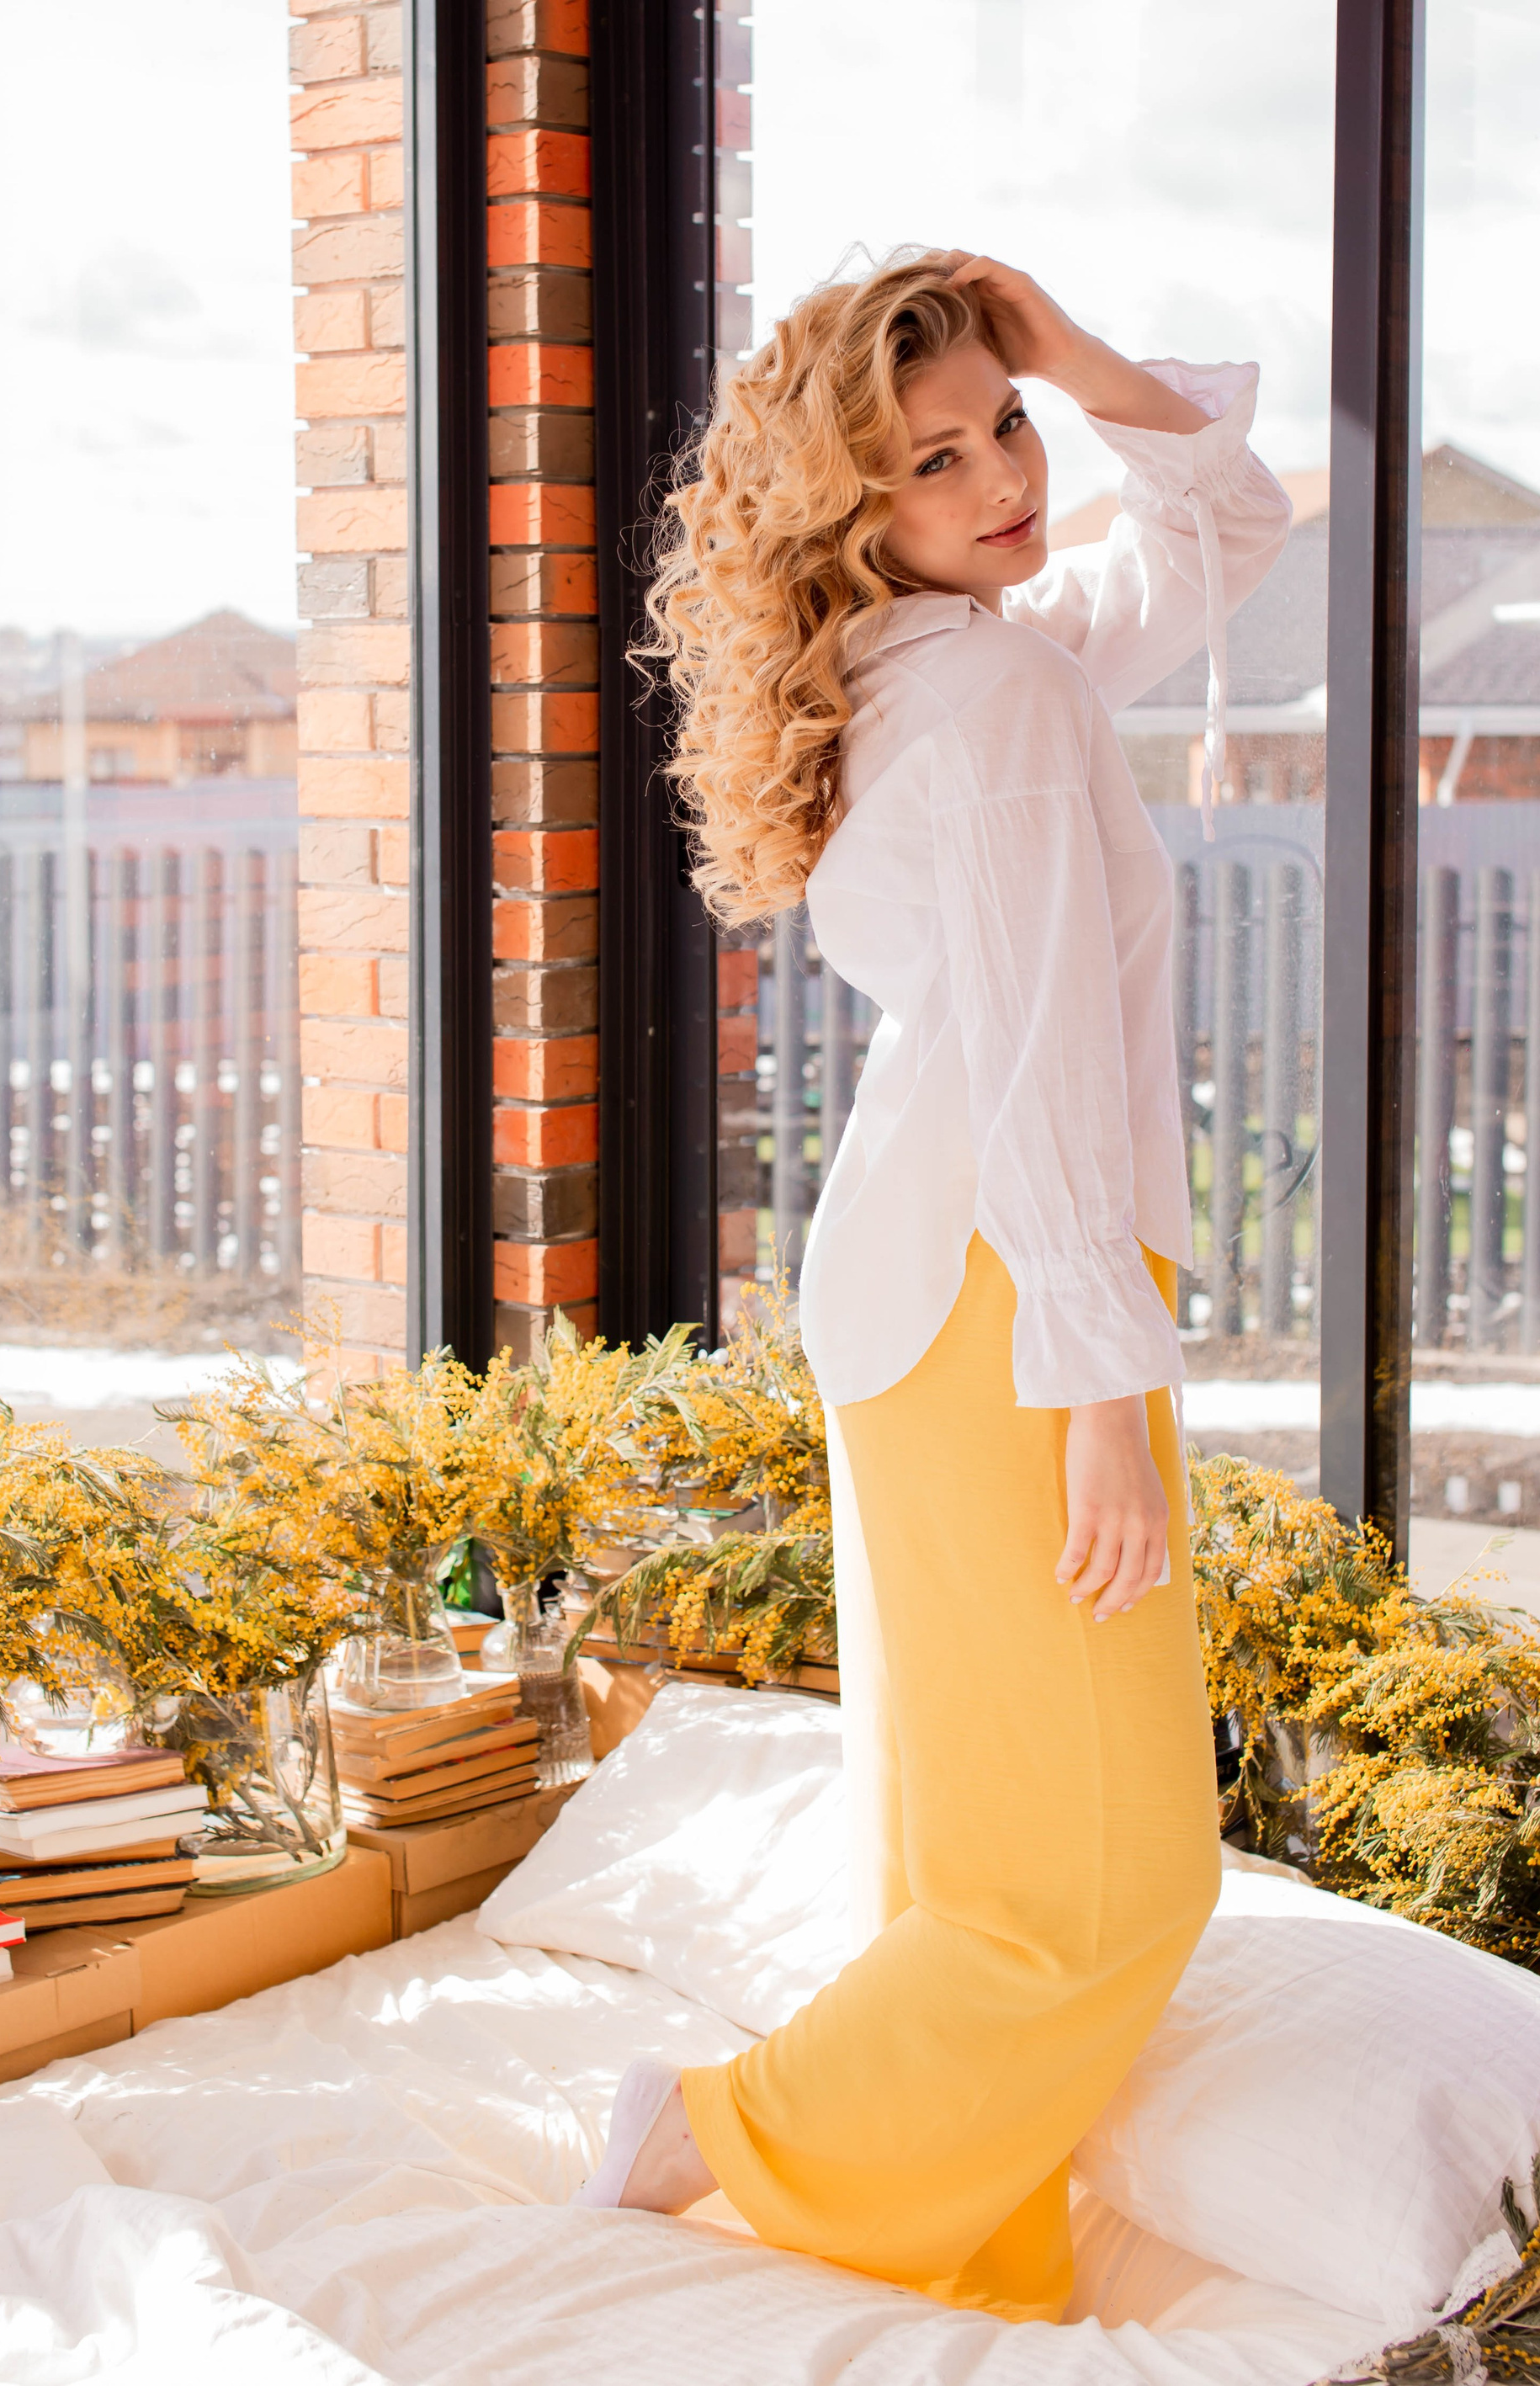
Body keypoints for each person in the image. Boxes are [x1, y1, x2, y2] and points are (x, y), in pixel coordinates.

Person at [571, 250, 1292, 2320]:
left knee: (976, 1844)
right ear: (850, 505)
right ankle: (724, 2129)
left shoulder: (955, 659)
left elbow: (1224, 527)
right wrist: (1103, 1402)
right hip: (1003, 1289)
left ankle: (969, 2249)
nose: (1003, 477)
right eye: (936, 457)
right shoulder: (995, 699)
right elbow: (1053, 1059)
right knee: (1109, 1878)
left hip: (942, 1275)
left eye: (1008, 428)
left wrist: (1066, 350)